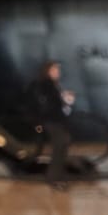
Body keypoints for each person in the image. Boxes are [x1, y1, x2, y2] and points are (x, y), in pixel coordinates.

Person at [26, 58, 75, 189]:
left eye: (58, 69)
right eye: (54, 69)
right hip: (52, 121)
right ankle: (54, 178)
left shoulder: (53, 85)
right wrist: (64, 100)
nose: (57, 71)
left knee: (63, 145)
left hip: (56, 120)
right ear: (47, 71)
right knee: (60, 147)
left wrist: (64, 100)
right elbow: (49, 104)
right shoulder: (45, 85)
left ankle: (58, 176)